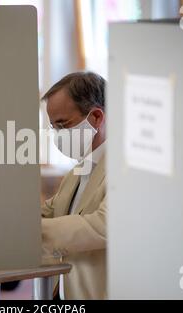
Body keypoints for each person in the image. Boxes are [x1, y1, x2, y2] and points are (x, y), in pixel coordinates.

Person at [41, 71, 107, 300]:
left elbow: (101, 226)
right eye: (53, 127)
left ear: (96, 117)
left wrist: (30, 230)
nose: (58, 135)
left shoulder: (127, 169)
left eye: (63, 124)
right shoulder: (77, 171)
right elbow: (51, 211)